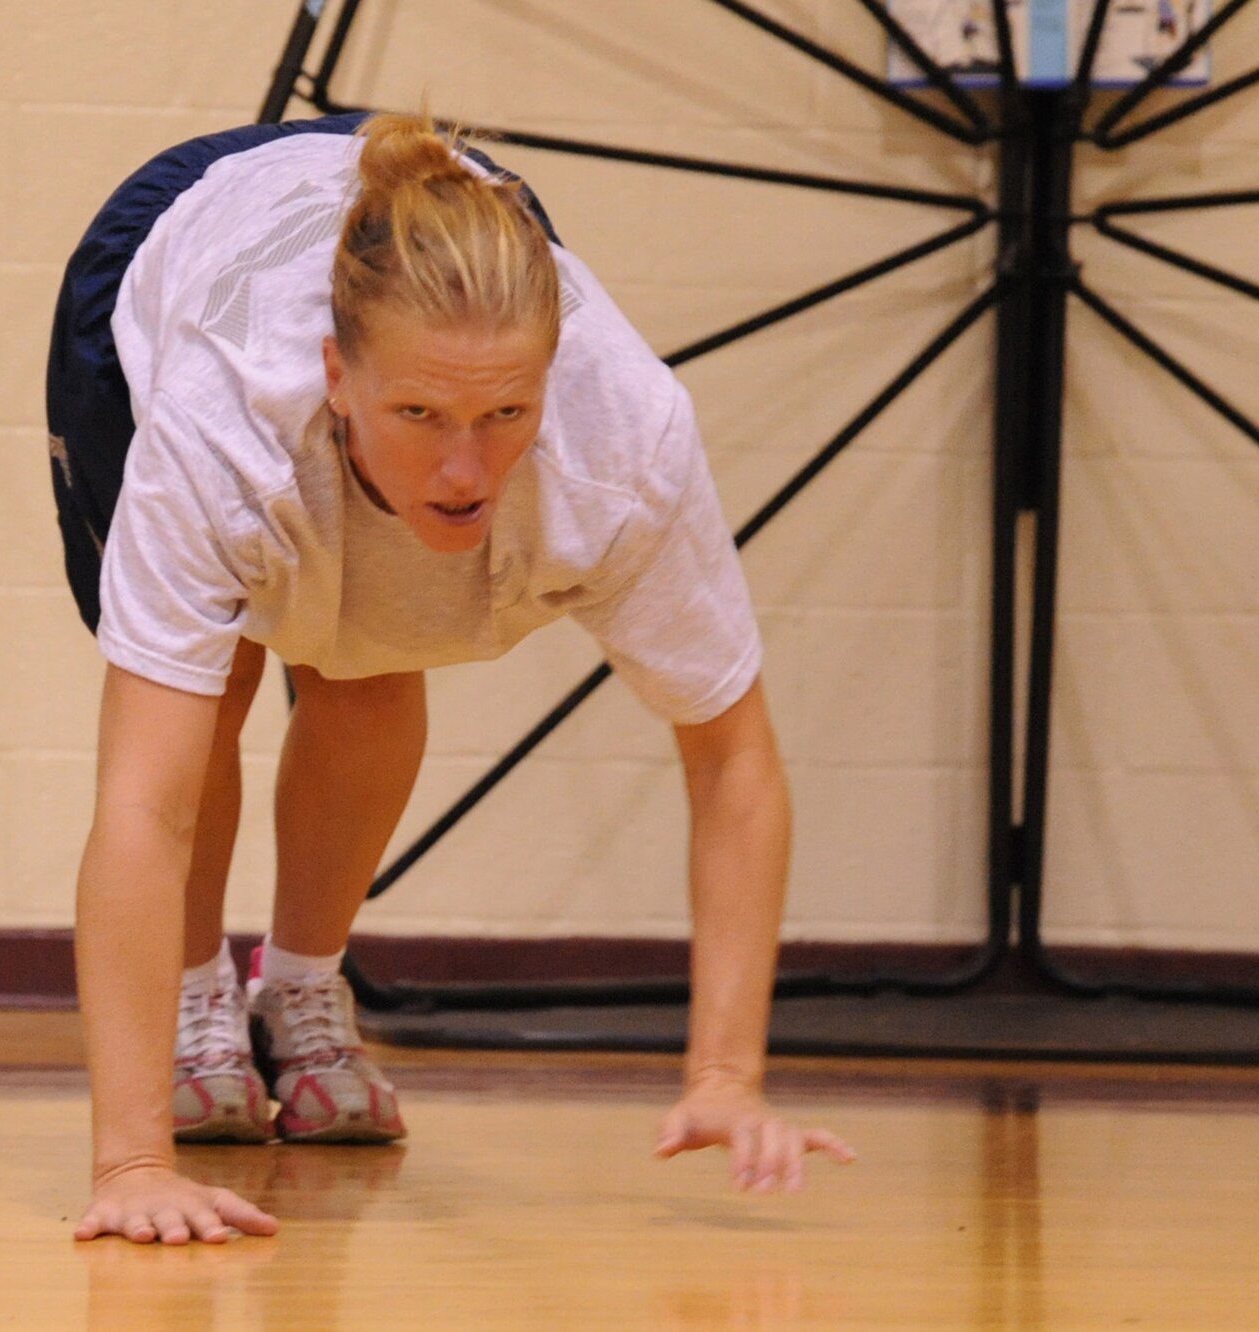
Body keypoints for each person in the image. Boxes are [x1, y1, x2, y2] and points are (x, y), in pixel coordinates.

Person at [46, 110, 854, 1246]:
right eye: (420, 415)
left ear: (551, 374)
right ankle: (194, 1008)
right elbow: (144, 803)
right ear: (335, 375)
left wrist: (726, 1071)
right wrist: (130, 1159)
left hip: (423, 271)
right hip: (167, 246)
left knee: (375, 658)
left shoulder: (625, 443)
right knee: (207, 685)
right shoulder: (219, 426)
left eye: (504, 414)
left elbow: (733, 760)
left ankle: (305, 993)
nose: (466, 467)